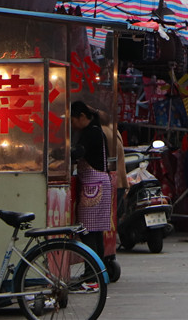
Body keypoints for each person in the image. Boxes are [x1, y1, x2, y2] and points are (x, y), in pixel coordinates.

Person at [70, 101, 113, 264]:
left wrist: (64, 152)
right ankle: (99, 273)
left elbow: (79, 152)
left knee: (87, 231)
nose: (72, 126)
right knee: (95, 233)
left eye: (73, 121)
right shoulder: (97, 131)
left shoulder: (90, 133)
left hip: (94, 187)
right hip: (100, 184)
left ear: (82, 116)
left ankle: (92, 273)